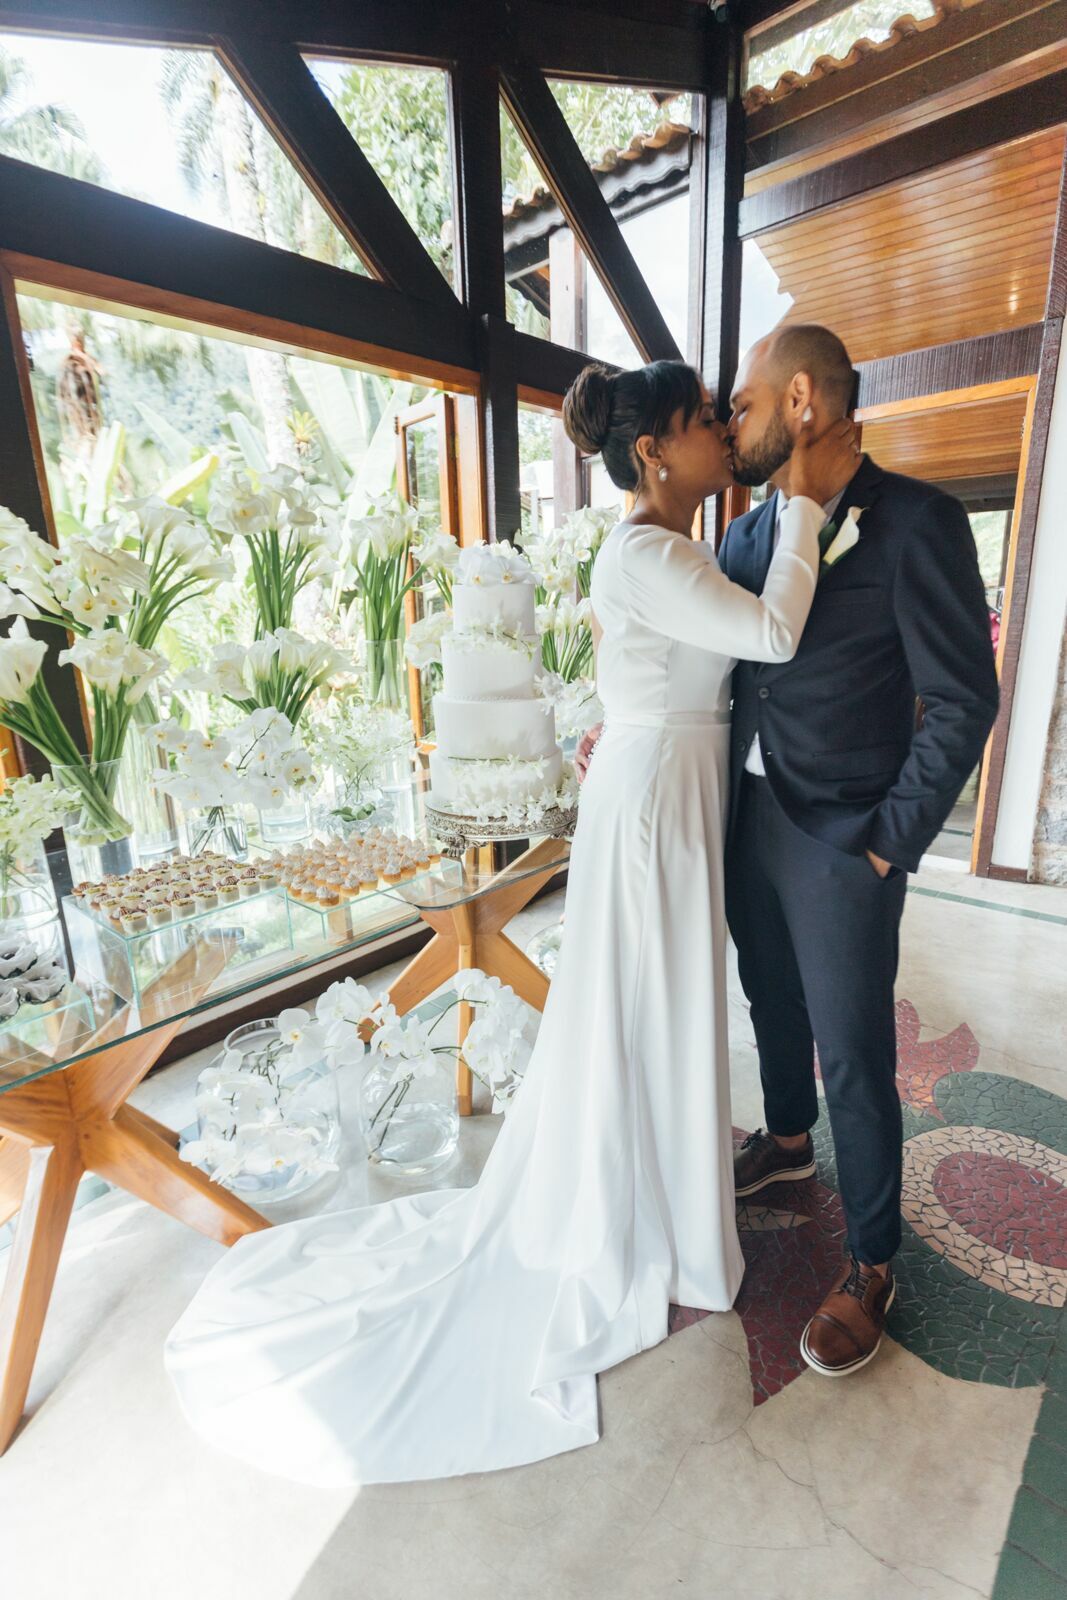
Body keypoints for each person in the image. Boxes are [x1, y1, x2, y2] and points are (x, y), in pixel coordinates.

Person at [164, 360, 858, 1487]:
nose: (719, 435)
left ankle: (666, 1196)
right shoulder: (643, 552)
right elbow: (772, 634)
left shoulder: (672, 546)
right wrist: (809, 504)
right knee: (644, 999)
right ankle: (645, 1213)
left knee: (659, 1000)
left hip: (672, 782)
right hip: (654, 799)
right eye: (700, 422)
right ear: (652, 452)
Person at [581, 325, 1000, 1379]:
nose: (729, 422)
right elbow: (702, 656)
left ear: (802, 400)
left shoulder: (916, 521)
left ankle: (870, 1258)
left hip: (845, 838)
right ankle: (783, 1142)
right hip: (738, 816)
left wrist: (887, 845)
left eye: (743, 403)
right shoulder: (741, 532)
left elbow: (961, 700)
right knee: (765, 995)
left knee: (852, 1049)